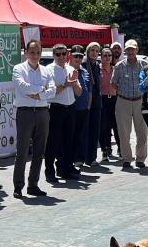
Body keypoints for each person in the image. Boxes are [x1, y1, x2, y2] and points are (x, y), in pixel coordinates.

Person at [11, 40, 55, 198]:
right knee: (22, 151)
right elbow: (23, 88)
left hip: (43, 112)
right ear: (25, 52)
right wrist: (42, 90)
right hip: (25, 113)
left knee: (39, 151)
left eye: (38, 52)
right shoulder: (18, 68)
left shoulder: (46, 70)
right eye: (32, 52)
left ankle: (33, 184)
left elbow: (53, 91)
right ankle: (18, 186)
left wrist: (38, 93)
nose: (35, 55)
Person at [45, 44, 81, 180]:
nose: (61, 57)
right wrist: (67, 84)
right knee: (53, 141)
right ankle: (49, 171)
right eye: (58, 54)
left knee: (68, 140)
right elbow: (50, 93)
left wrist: (74, 83)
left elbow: (79, 92)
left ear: (67, 55)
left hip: (70, 107)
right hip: (56, 108)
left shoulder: (71, 68)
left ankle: (64, 169)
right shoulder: (48, 70)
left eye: (63, 54)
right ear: (53, 55)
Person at [113, 39, 148, 169]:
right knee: (123, 133)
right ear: (125, 51)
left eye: (133, 49)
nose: (131, 52)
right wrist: (123, 93)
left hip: (140, 101)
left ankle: (140, 159)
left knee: (142, 133)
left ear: (137, 50)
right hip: (123, 101)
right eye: (128, 49)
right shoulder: (119, 66)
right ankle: (127, 159)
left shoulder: (145, 64)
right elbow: (113, 82)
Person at [70, 46, 92, 170]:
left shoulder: (84, 71)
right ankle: (71, 159)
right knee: (70, 134)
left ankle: (79, 159)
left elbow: (89, 90)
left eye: (80, 56)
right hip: (71, 108)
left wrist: (88, 105)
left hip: (83, 108)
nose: (78, 58)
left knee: (81, 135)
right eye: (75, 56)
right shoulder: (67, 70)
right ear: (71, 57)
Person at [84, 42, 103, 167]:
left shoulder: (97, 65)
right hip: (85, 99)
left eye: (96, 51)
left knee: (95, 129)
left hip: (96, 99)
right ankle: (83, 157)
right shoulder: (83, 64)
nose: (94, 53)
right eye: (92, 50)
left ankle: (92, 157)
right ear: (88, 51)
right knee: (85, 129)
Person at [98, 46, 119, 161]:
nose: (107, 57)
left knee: (116, 125)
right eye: (105, 55)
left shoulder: (116, 69)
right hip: (102, 99)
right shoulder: (97, 69)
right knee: (104, 126)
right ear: (101, 57)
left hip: (114, 99)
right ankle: (105, 150)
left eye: (109, 55)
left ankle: (120, 149)